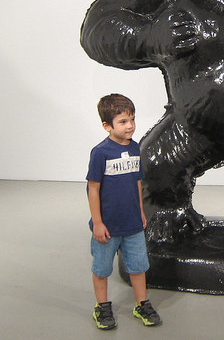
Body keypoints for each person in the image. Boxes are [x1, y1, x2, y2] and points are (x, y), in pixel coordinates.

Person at [86, 94, 161, 330]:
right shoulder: (101, 153)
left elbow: (137, 183)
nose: (130, 126)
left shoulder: (136, 148)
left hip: (132, 225)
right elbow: (93, 189)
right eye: (122, 122)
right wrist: (98, 222)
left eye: (132, 120)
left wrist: (140, 211)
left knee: (138, 267)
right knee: (102, 269)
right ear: (107, 126)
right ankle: (103, 307)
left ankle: (142, 304)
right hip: (108, 226)